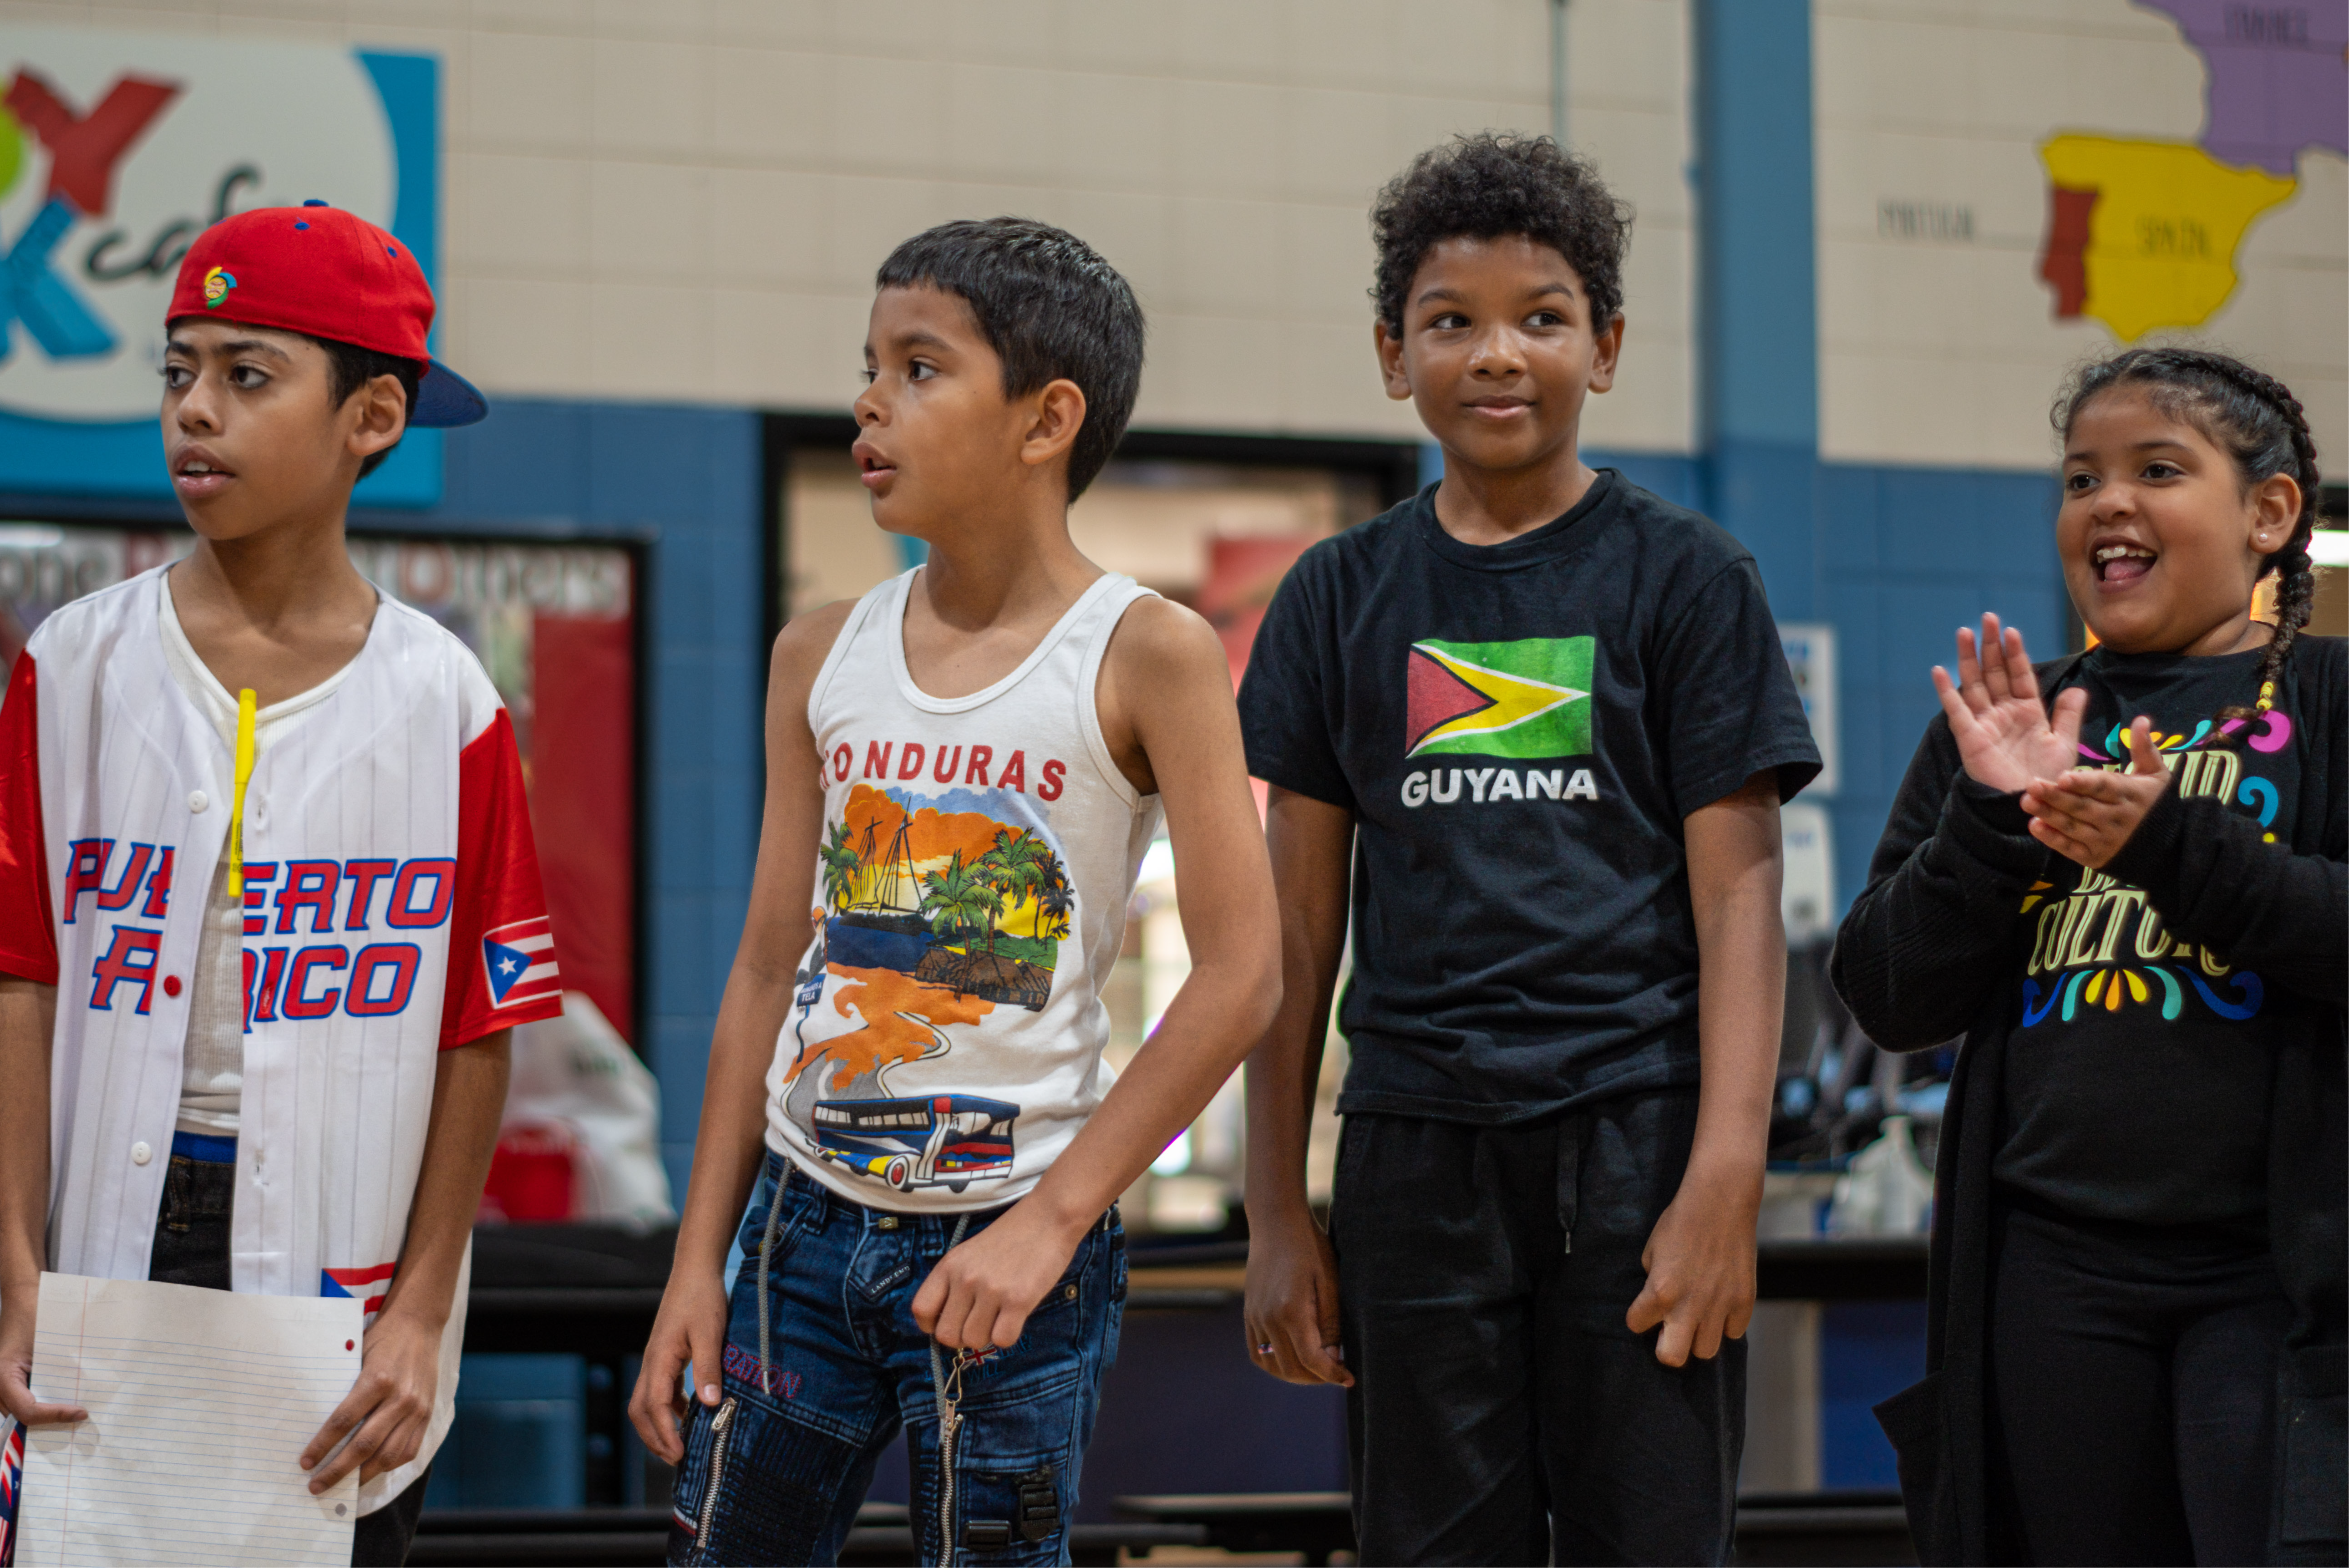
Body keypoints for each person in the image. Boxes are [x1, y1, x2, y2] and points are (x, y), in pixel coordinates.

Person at [627, 218, 1280, 1567]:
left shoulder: (1150, 651)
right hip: (797, 1228)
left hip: (1013, 1235)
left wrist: (1051, 1223)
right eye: (868, 363)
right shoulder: (819, 652)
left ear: (1047, 419)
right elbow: (763, 970)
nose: (869, 400)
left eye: (920, 367)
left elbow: (1243, 978)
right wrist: (699, 1262)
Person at [1238, 133, 1821, 1566]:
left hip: (1638, 1137)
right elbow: (1294, 932)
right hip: (1413, 1147)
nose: (1498, 354)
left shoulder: (1689, 576)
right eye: (1453, 321)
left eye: (1541, 317)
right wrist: (1272, 1206)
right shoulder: (1336, 596)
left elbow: (1742, 895)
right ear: (1395, 356)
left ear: (1605, 347)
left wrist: (1727, 1173)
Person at [0, 203, 556, 1568]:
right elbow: (21, 979)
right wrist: (11, 1264)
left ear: (373, 418)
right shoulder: (69, 666)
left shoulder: (451, 702)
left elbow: (478, 1028)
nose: (197, 410)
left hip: (339, 1275)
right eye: (179, 370)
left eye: (248, 376)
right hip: (98, 1246)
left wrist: (424, 1307)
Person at [1835, 347, 2349, 1568]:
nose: (2107, 503)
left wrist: (2174, 846)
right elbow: (1889, 992)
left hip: (2274, 1282)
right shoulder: (2013, 717)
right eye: (2080, 479)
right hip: (2054, 1272)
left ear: (2269, 513)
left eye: (2157, 470)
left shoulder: (2332, 700)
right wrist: (1987, 821)